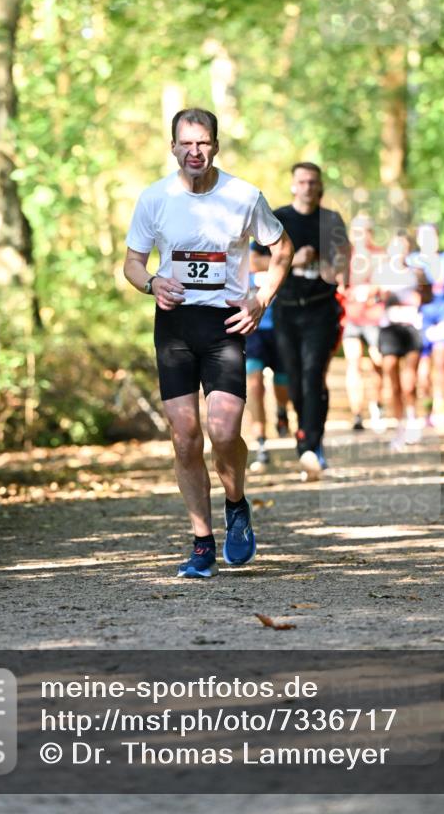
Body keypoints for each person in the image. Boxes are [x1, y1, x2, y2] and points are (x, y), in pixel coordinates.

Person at [123, 108, 293, 578]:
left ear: (215, 145)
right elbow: (132, 262)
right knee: (184, 439)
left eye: (203, 143)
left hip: (226, 325)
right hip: (175, 326)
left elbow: (282, 249)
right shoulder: (154, 198)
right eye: (186, 143)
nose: (194, 152)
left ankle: (236, 504)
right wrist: (152, 283)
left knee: (222, 432)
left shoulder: (243, 195)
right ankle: (201, 542)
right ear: (172, 146)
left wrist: (261, 300)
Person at [253, 162, 350, 480]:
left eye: (313, 182)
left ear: (319, 187)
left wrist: (330, 266)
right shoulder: (279, 218)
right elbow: (255, 260)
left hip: (321, 310)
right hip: (287, 309)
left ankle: (311, 444)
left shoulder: (331, 220)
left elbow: (344, 266)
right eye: (302, 181)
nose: (308, 186)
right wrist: (293, 259)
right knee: (294, 379)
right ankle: (304, 437)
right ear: (294, 185)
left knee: (313, 376)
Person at [373, 232, 427, 451]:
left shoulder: (417, 273)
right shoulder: (381, 273)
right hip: (389, 330)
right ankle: (399, 429)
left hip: (411, 329)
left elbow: (428, 296)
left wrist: (418, 299)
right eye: (396, 247)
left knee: (409, 381)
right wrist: (381, 295)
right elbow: (373, 297)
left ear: (408, 251)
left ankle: (413, 419)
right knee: (393, 381)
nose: (399, 252)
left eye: (403, 247)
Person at [407, 224, 444, 428]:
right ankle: (425, 407)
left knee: (440, 364)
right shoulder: (411, 260)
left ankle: (439, 408)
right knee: (422, 371)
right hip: (420, 319)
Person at [245, 245, 290, 470]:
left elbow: (287, 261)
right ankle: (261, 443)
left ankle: (282, 410)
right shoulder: (244, 250)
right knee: (254, 386)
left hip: (281, 331)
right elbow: (251, 261)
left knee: (282, 385)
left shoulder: (280, 246)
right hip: (252, 333)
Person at [342, 215, 385, 432]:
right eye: (357, 231)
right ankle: (357, 414)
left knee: (378, 362)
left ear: (371, 232)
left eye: (365, 230)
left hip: (375, 317)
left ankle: (377, 405)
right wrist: (349, 292)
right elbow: (338, 285)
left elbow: (385, 282)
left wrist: (372, 290)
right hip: (352, 317)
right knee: (353, 363)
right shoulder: (346, 257)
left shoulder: (380, 255)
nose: (361, 235)